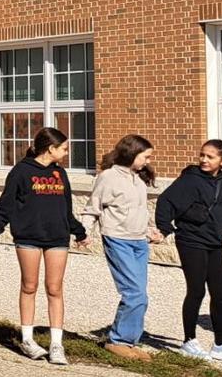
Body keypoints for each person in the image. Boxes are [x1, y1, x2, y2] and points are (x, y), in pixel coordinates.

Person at [0, 127, 89, 365]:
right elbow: (5, 206)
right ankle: (28, 340)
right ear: (51, 148)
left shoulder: (60, 173)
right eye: (64, 148)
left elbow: (66, 209)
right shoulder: (21, 171)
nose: (67, 152)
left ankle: (56, 344)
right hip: (28, 237)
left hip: (58, 238)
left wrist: (79, 232)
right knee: (29, 286)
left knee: (55, 288)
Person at [156, 139, 222, 365]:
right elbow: (165, 202)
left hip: (214, 243)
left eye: (210, 156)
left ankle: (221, 345)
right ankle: (188, 341)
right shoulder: (190, 180)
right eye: (202, 155)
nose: (204, 160)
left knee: (220, 294)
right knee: (196, 290)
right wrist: (164, 229)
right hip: (190, 241)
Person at [81, 134, 162, 362]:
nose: (148, 161)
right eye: (145, 156)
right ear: (131, 153)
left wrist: (148, 231)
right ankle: (117, 341)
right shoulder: (108, 177)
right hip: (117, 240)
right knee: (134, 293)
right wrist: (84, 232)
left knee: (141, 295)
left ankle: (129, 342)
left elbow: (137, 211)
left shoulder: (138, 178)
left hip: (139, 242)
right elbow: (93, 207)